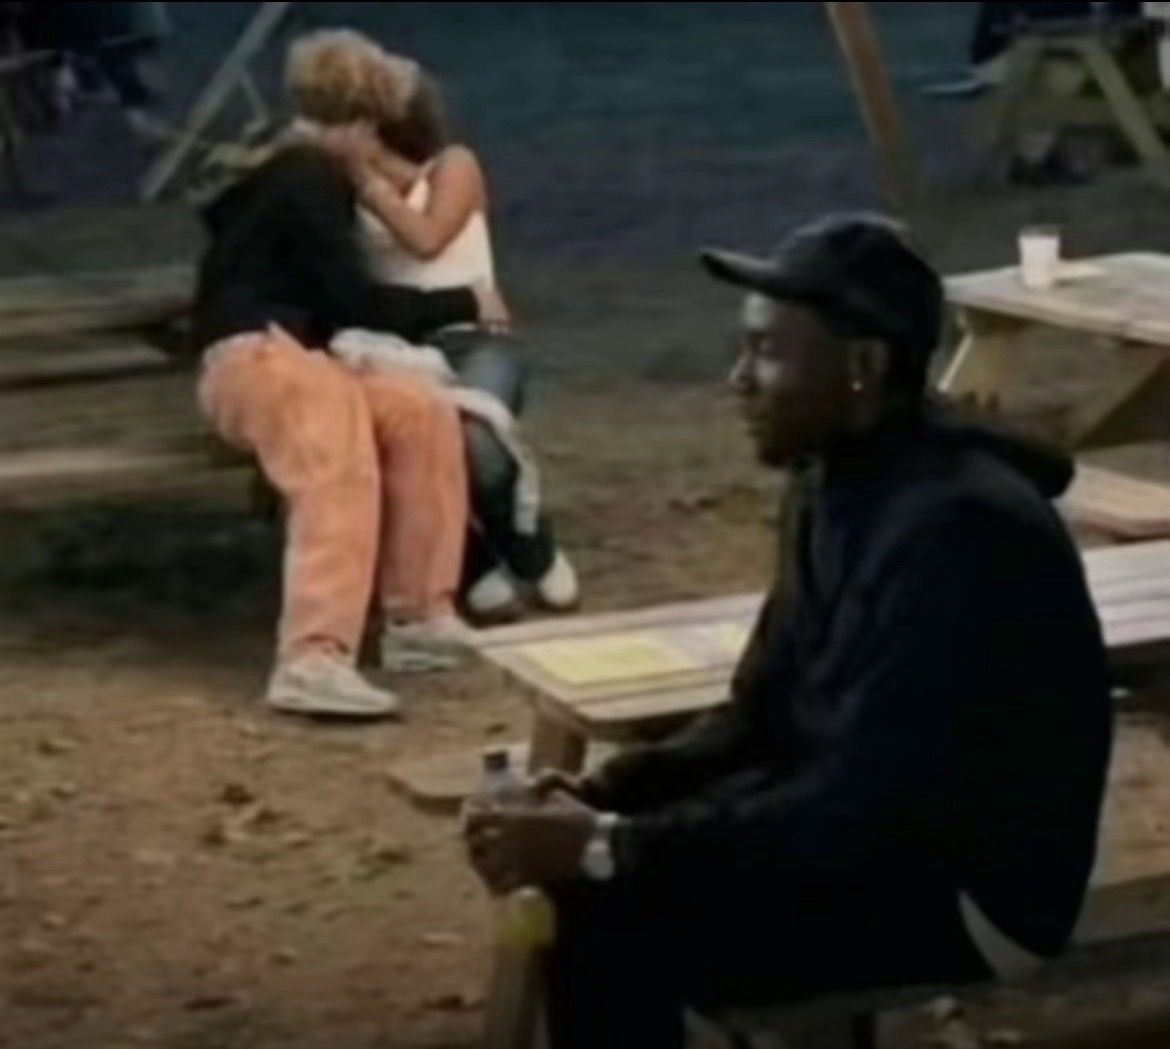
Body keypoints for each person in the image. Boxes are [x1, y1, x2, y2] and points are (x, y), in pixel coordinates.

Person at [464, 214, 1114, 1048]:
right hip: (868, 834)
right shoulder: (832, 480)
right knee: (601, 878)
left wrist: (610, 846)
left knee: (610, 910)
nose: (738, 378)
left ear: (863, 367)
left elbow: (863, 801)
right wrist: (606, 793)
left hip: (970, 891)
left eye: (769, 351)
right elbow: (759, 711)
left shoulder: (959, 528)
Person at [192, 142, 508, 719]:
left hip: (308, 356)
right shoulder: (307, 183)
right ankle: (312, 657)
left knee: (419, 411)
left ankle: (420, 618)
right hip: (258, 355)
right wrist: (465, 300)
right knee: (336, 452)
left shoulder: (302, 185)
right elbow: (353, 301)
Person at [283, 29, 579, 624]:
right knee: (407, 440)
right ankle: (471, 561)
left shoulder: (454, 166)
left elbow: (426, 239)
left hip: (474, 337)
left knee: (476, 440)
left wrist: (364, 173)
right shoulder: (339, 187)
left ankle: (530, 544)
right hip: (394, 342)